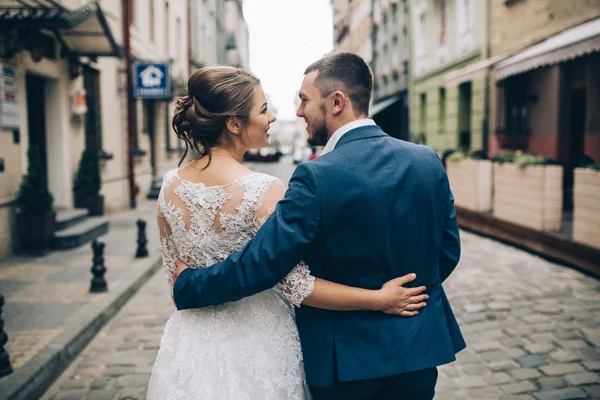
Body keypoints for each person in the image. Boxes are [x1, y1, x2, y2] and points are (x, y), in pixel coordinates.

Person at [172, 52, 466, 400]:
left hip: (344, 361)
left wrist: (191, 285)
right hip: (417, 349)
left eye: (304, 100)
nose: (298, 112)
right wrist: (405, 300)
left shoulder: (317, 176)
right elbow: (447, 251)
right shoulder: (426, 161)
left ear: (337, 102)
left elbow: (264, 262)